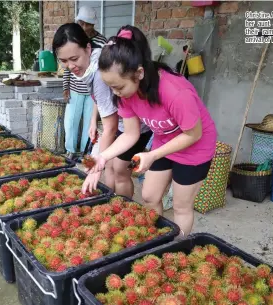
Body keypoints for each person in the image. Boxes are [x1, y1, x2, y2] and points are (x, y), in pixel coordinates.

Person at [82, 25, 218, 237]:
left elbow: (193, 134)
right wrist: (101, 158)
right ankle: (155, 238)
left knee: (182, 206)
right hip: (164, 141)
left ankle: (175, 247)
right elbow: (130, 134)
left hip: (195, 146)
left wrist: (152, 154)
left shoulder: (175, 92)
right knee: (149, 196)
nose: (115, 93)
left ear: (139, 73)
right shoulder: (125, 95)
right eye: (111, 87)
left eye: (118, 87)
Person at [53, 23, 153, 198]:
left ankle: (120, 207)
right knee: (111, 166)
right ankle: (109, 200)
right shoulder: (91, 65)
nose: (70, 66)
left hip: (136, 126)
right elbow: (98, 98)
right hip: (123, 124)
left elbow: (110, 128)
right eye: (63, 61)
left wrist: (95, 169)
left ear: (88, 48)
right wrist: (93, 120)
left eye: (74, 59)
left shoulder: (99, 71)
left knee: (119, 169)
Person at [62, 6, 107, 160]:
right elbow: (67, 66)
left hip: (93, 91)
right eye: (81, 23)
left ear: (92, 25)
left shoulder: (102, 41)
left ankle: (84, 152)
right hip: (75, 88)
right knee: (71, 122)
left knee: (89, 123)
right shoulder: (74, 39)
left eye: (87, 24)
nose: (84, 27)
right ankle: (70, 151)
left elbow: (104, 67)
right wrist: (65, 87)